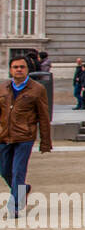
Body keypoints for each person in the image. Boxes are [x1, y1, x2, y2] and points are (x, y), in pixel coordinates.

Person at [0, 54, 53, 216]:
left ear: (27, 70)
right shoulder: (2, 88)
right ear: (10, 70)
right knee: (4, 170)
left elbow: (43, 117)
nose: (19, 70)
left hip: (24, 137)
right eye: (15, 67)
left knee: (18, 171)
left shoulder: (37, 89)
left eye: (22, 67)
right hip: (3, 136)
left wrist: (45, 141)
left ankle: (15, 205)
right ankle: (23, 189)